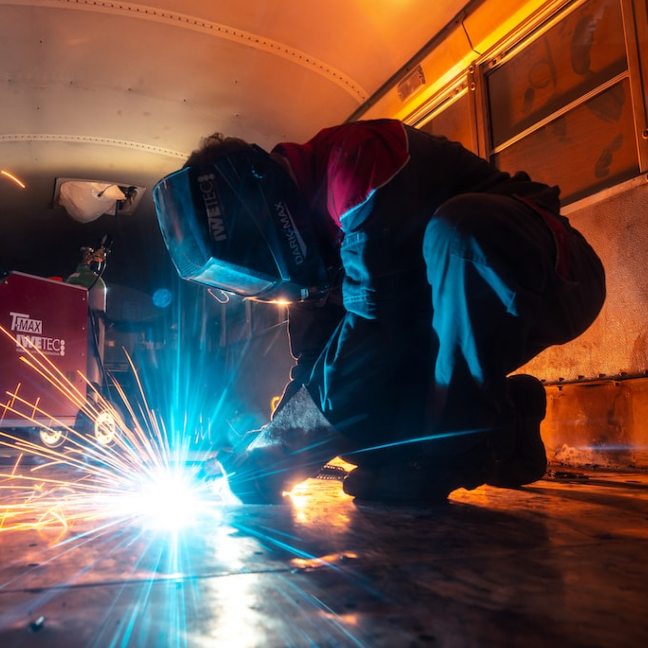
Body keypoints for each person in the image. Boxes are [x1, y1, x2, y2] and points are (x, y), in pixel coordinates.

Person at [154, 119, 606, 504]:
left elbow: (373, 330)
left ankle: (451, 450)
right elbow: (317, 365)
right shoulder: (307, 256)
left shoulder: (355, 163)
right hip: (451, 319)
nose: (258, 287)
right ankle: (508, 428)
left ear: (261, 206)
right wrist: (266, 445)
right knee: (365, 439)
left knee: (461, 234)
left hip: (553, 274)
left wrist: (278, 455)